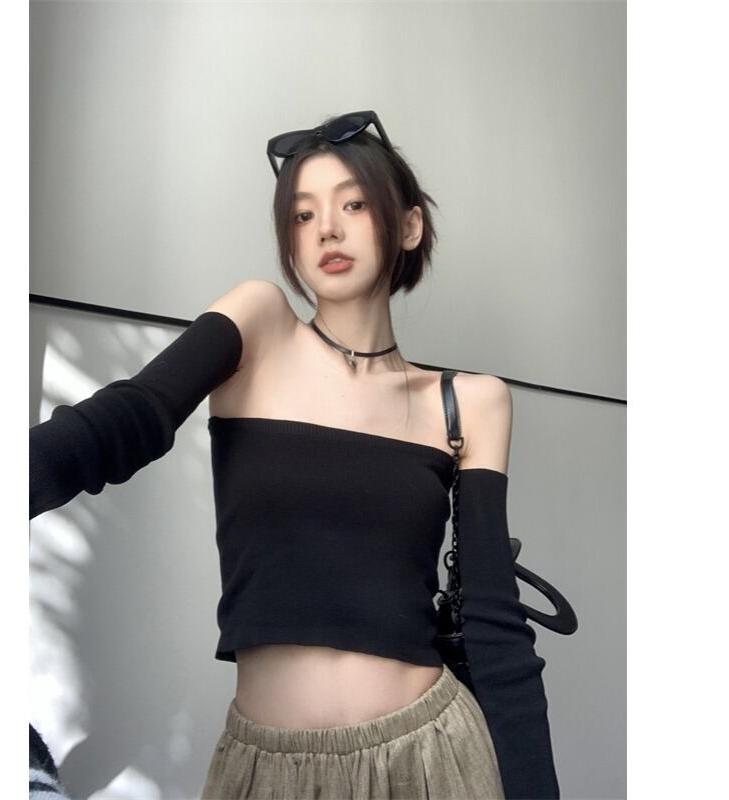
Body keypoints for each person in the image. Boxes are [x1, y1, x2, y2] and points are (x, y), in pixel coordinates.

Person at [29, 111, 558, 799]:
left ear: (409, 225)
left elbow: (495, 625)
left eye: (353, 205)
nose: (326, 230)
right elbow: (130, 417)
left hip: (431, 759)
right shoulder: (261, 327)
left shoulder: (470, 402)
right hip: (267, 770)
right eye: (303, 216)